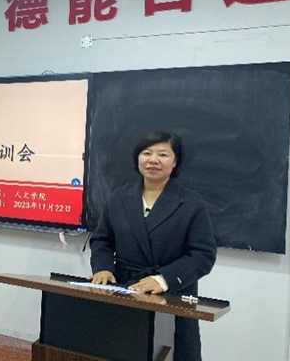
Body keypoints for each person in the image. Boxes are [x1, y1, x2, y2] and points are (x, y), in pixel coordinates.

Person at [89, 131, 217, 361]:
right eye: (146, 153)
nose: (153, 160)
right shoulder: (119, 197)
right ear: (137, 158)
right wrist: (103, 267)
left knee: (170, 353)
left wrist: (163, 279)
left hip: (173, 295)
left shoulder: (191, 203)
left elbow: (203, 255)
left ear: (175, 161)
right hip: (126, 290)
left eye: (163, 154)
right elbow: (102, 240)